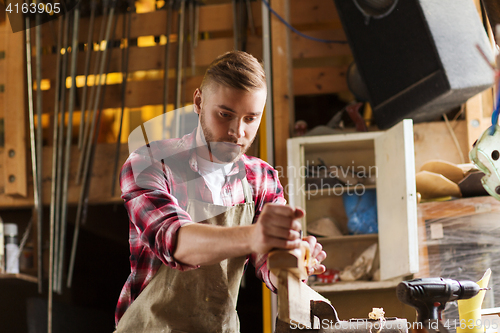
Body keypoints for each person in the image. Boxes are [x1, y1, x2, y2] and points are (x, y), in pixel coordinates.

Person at [114, 50, 327, 332]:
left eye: (251, 119)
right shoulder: (150, 163)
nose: (237, 132)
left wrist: (295, 260)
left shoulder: (260, 178)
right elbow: (176, 242)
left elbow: (269, 265)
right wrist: (255, 236)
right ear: (199, 101)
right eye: (225, 114)